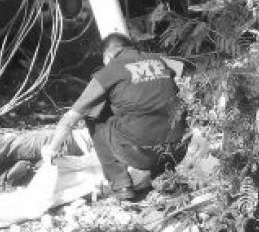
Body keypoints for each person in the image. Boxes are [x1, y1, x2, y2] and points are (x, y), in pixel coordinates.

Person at [41, 32, 187, 201]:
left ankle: (121, 185)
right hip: (178, 146)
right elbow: (182, 70)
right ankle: (164, 175)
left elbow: (70, 119)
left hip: (142, 152)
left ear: (108, 54)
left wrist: (52, 149)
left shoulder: (110, 70)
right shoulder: (158, 59)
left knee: (94, 114)